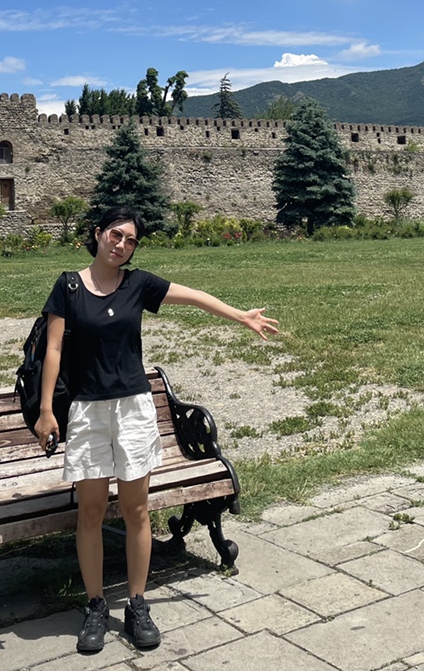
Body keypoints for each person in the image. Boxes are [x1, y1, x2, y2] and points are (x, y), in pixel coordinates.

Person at [35, 204, 279, 654]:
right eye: (116, 234)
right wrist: (47, 409)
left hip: (133, 409)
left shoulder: (139, 284)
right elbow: (53, 351)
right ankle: (95, 606)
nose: (121, 245)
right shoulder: (68, 286)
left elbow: (195, 296)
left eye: (130, 240)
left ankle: (136, 604)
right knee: (90, 513)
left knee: (137, 511)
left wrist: (240, 316)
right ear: (98, 233)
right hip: (87, 411)